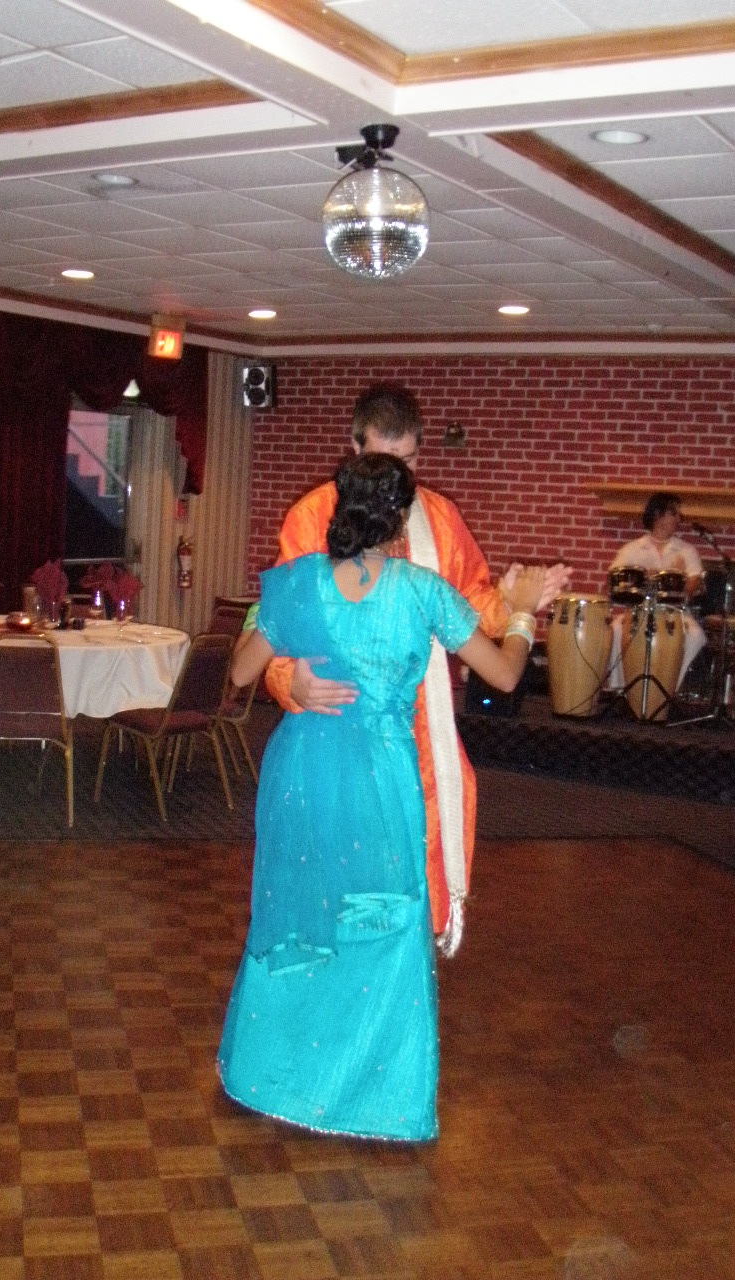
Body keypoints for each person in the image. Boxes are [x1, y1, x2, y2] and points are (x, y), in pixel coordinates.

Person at [217, 454, 563, 1140]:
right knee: (382, 921)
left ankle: (270, 1074)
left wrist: (279, 631)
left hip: (302, 770)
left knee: (296, 916)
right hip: (379, 775)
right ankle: (370, 1097)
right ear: (401, 519)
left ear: (338, 507)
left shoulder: (297, 583)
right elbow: (504, 674)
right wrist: (524, 616)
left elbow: (238, 671)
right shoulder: (421, 591)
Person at [264, 382, 569, 955]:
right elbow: (277, 624)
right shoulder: (312, 517)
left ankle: (402, 970)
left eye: (406, 462)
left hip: (418, 726)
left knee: (412, 869)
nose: (395, 480)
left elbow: (471, 604)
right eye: (382, 460)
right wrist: (288, 680)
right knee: (333, 881)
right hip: (335, 722)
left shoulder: (440, 518)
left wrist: (513, 602)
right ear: (354, 447)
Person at [607, 491, 706, 691]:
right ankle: (620, 688)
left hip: (674, 613)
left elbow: (695, 581)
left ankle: (669, 688)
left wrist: (684, 585)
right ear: (658, 515)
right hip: (638, 611)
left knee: (696, 636)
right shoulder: (632, 549)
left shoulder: (686, 550)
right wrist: (644, 579)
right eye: (673, 514)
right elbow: (614, 578)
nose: (679, 519)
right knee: (616, 629)